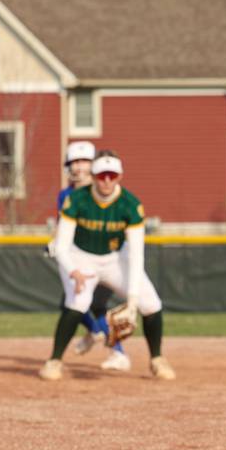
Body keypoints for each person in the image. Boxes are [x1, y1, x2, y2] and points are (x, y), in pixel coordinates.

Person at [39, 153, 174, 382]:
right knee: (77, 302)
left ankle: (157, 359)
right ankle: (54, 361)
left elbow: (136, 254)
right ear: (93, 176)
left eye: (112, 176)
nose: (107, 181)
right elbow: (61, 246)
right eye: (102, 176)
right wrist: (74, 271)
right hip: (81, 257)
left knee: (151, 303)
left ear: (120, 176)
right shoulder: (78, 200)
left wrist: (132, 302)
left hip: (115, 258)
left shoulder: (130, 205)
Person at [55, 142, 129, 372]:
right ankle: (99, 335)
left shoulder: (106, 191)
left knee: (96, 304)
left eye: (83, 161)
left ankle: (114, 349)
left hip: (109, 257)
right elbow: (63, 226)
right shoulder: (66, 195)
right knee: (73, 305)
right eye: (74, 162)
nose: (78, 167)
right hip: (81, 259)